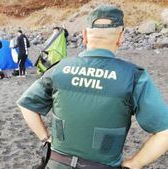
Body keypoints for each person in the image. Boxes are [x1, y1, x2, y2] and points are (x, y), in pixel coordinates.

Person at [17, 5, 168, 169]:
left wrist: (45, 137)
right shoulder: (134, 77)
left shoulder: (59, 69)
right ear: (121, 36)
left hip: (57, 163)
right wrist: (135, 163)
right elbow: (164, 132)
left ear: (84, 36)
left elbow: (26, 105)